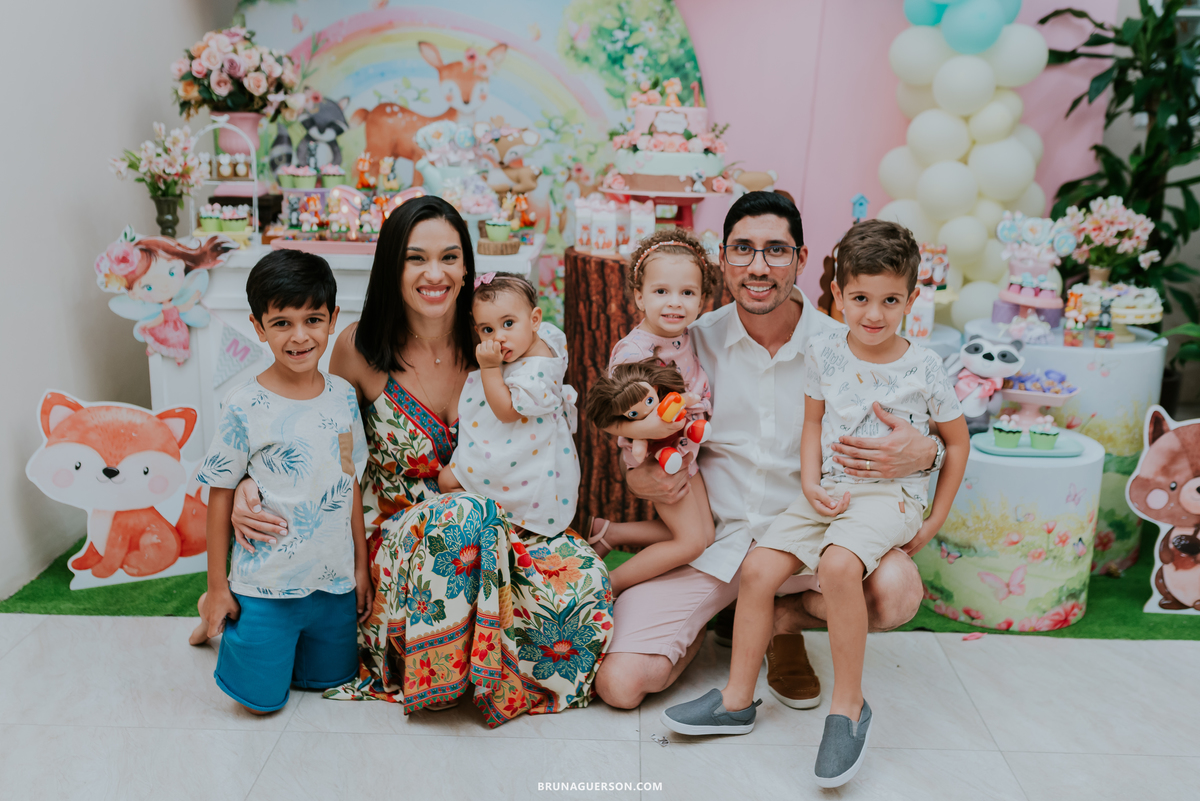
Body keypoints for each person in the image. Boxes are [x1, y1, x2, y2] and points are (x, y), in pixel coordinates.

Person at [227, 197, 612, 727]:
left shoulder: (498, 337)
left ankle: (488, 662)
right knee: (461, 517)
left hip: (503, 527)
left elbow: (544, 418)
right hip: (402, 539)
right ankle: (440, 678)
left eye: (449, 257)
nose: (436, 274)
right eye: (416, 258)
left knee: (583, 578)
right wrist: (248, 480)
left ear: (467, 267)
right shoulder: (358, 347)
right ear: (392, 265)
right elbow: (315, 433)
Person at [595, 191, 943, 712]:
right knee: (620, 686)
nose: (758, 266)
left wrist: (928, 453)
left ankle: (784, 620)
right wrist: (639, 477)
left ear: (802, 260)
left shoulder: (846, 345)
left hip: (809, 543)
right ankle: (712, 620)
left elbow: (926, 431)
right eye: (743, 249)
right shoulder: (688, 341)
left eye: (777, 250)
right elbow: (638, 432)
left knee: (897, 592)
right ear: (722, 258)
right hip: (718, 546)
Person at [660, 219, 969, 788]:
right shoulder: (824, 352)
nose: (874, 314)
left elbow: (957, 441)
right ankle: (736, 700)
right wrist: (809, 483)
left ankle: (847, 709)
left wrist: (936, 517)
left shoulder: (923, 366)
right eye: (860, 298)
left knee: (838, 565)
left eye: (890, 300)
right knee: (759, 569)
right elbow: (812, 424)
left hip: (889, 496)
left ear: (911, 300)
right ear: (838, 296)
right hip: (829, 490)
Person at [189, 251, 370, 715]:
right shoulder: (243, 404)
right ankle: (210, 610)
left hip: (331, 587)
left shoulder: (343, 397)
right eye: (282, 323)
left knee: (332, 683)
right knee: (261, 703)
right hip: (264, 587)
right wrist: (218, 586)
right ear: (258, 326)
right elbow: (220, 495)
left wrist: (360, 568)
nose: (300, 336)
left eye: (313, 319)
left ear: (332, 319)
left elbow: (349, 479)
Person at [582, 229, 720, 595]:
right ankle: (606, 587)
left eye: (687, 293)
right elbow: (611, 414)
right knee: (692, 543)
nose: (675, 303)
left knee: (707, 535)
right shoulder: (635, 352)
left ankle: (609, 532)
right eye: (661, 292)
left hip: (684, 448)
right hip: (658, 456)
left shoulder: (682, 334)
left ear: (702, 299)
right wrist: (656, 427)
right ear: (639, 297)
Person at [438, 271, 580, 538]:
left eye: (508, 323)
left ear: (534, 320)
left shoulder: (535, 374)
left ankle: (506, 520)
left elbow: (506, 412)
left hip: (520, 455)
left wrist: (490, 367)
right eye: (488, 330)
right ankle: (499, 515)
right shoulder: (540, 337)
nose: (499, 338)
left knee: (447, 481)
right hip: (512, 444)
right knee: (447, 480)